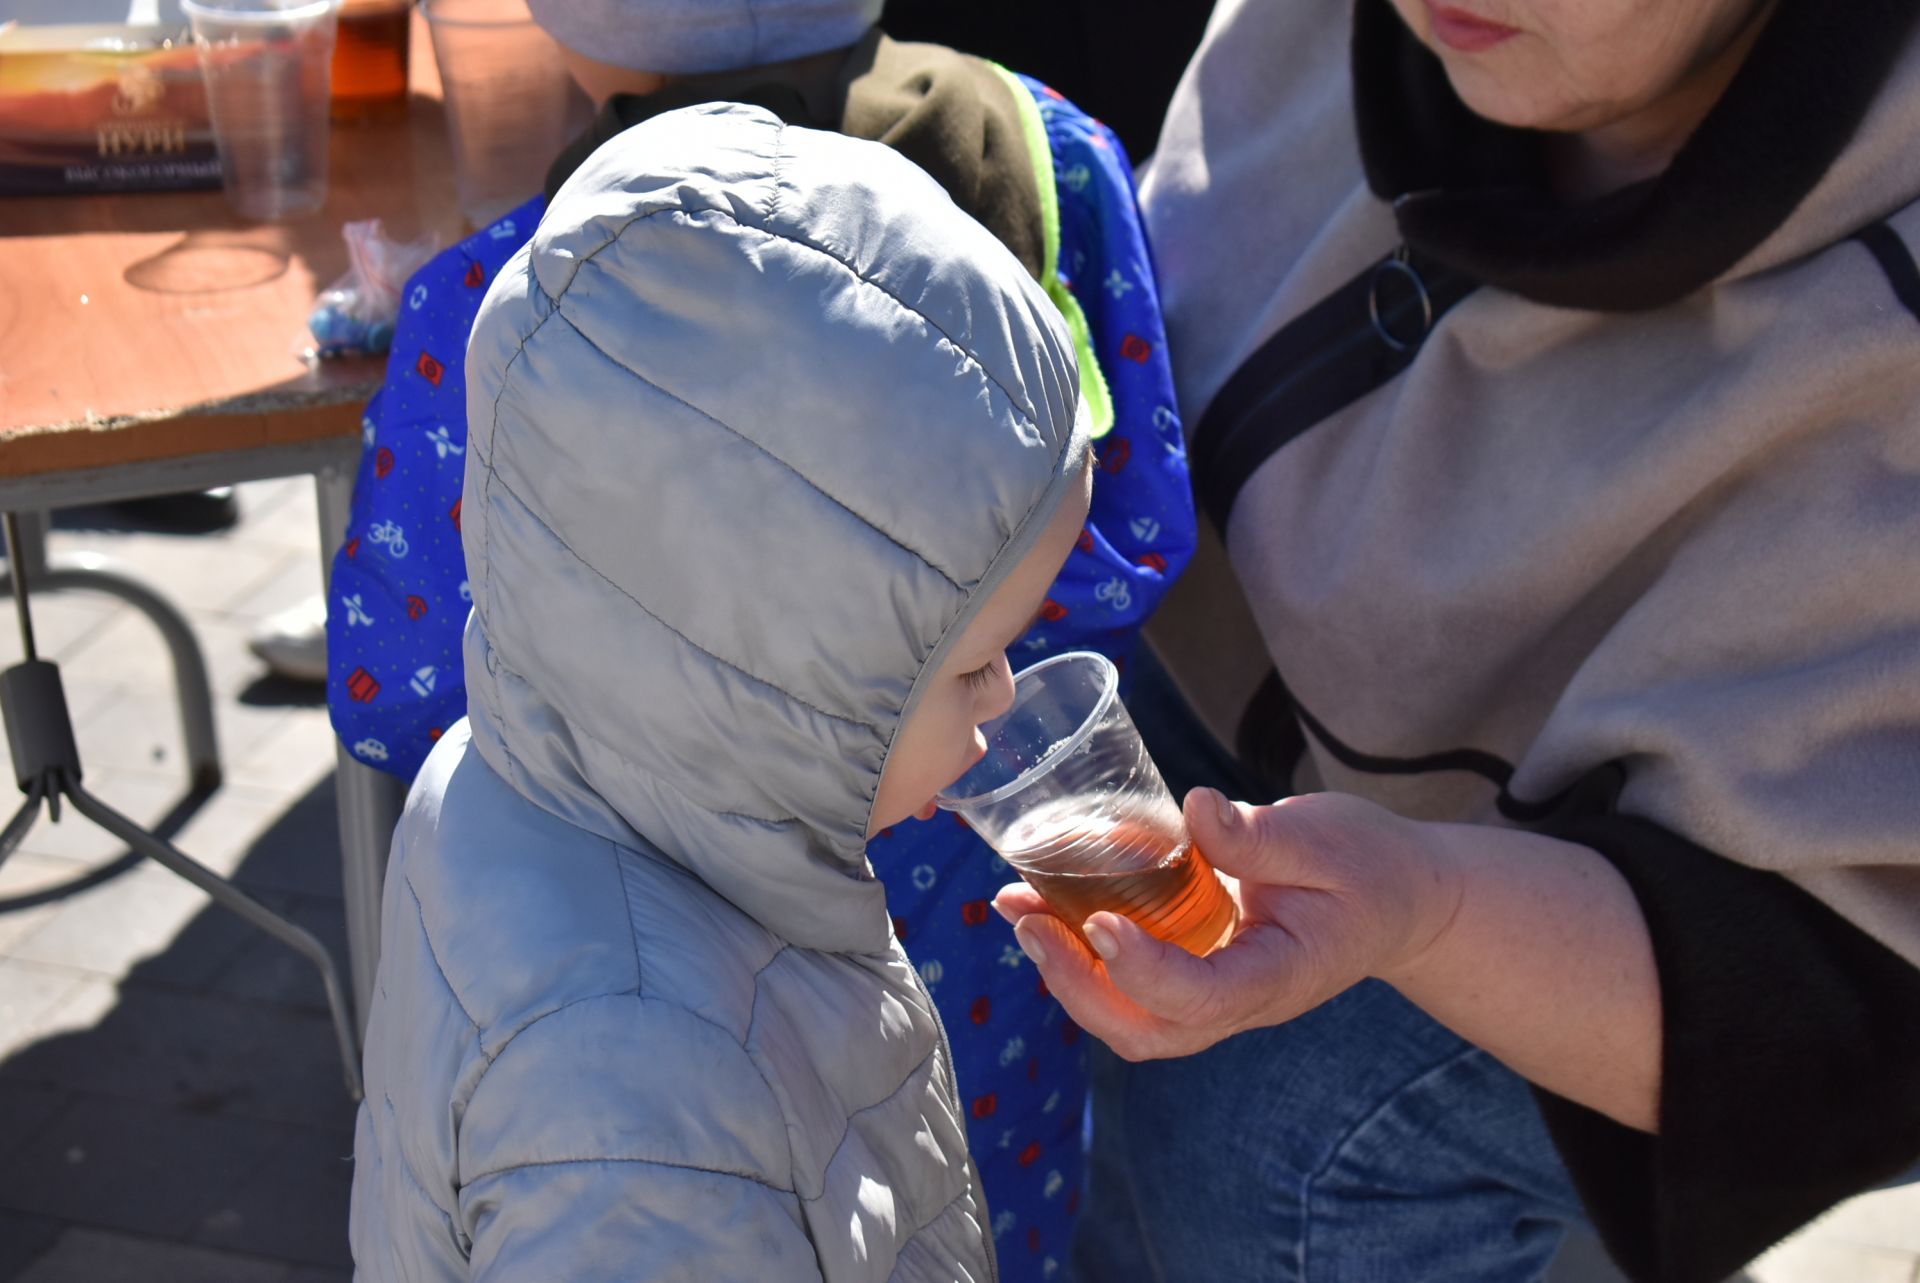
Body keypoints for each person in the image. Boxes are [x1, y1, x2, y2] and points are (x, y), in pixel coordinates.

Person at [988, 2, 1920, 1282]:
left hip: (1629, 926)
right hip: (1220, 679)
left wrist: (1424, 908)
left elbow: (1814, 999)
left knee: (1275, 1116)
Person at [327, 5, 1193, 1270]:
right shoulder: (627, 1102)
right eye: (970, 661)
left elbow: (391, 688)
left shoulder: (539, 297)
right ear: (766, 659)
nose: (1007, 696)